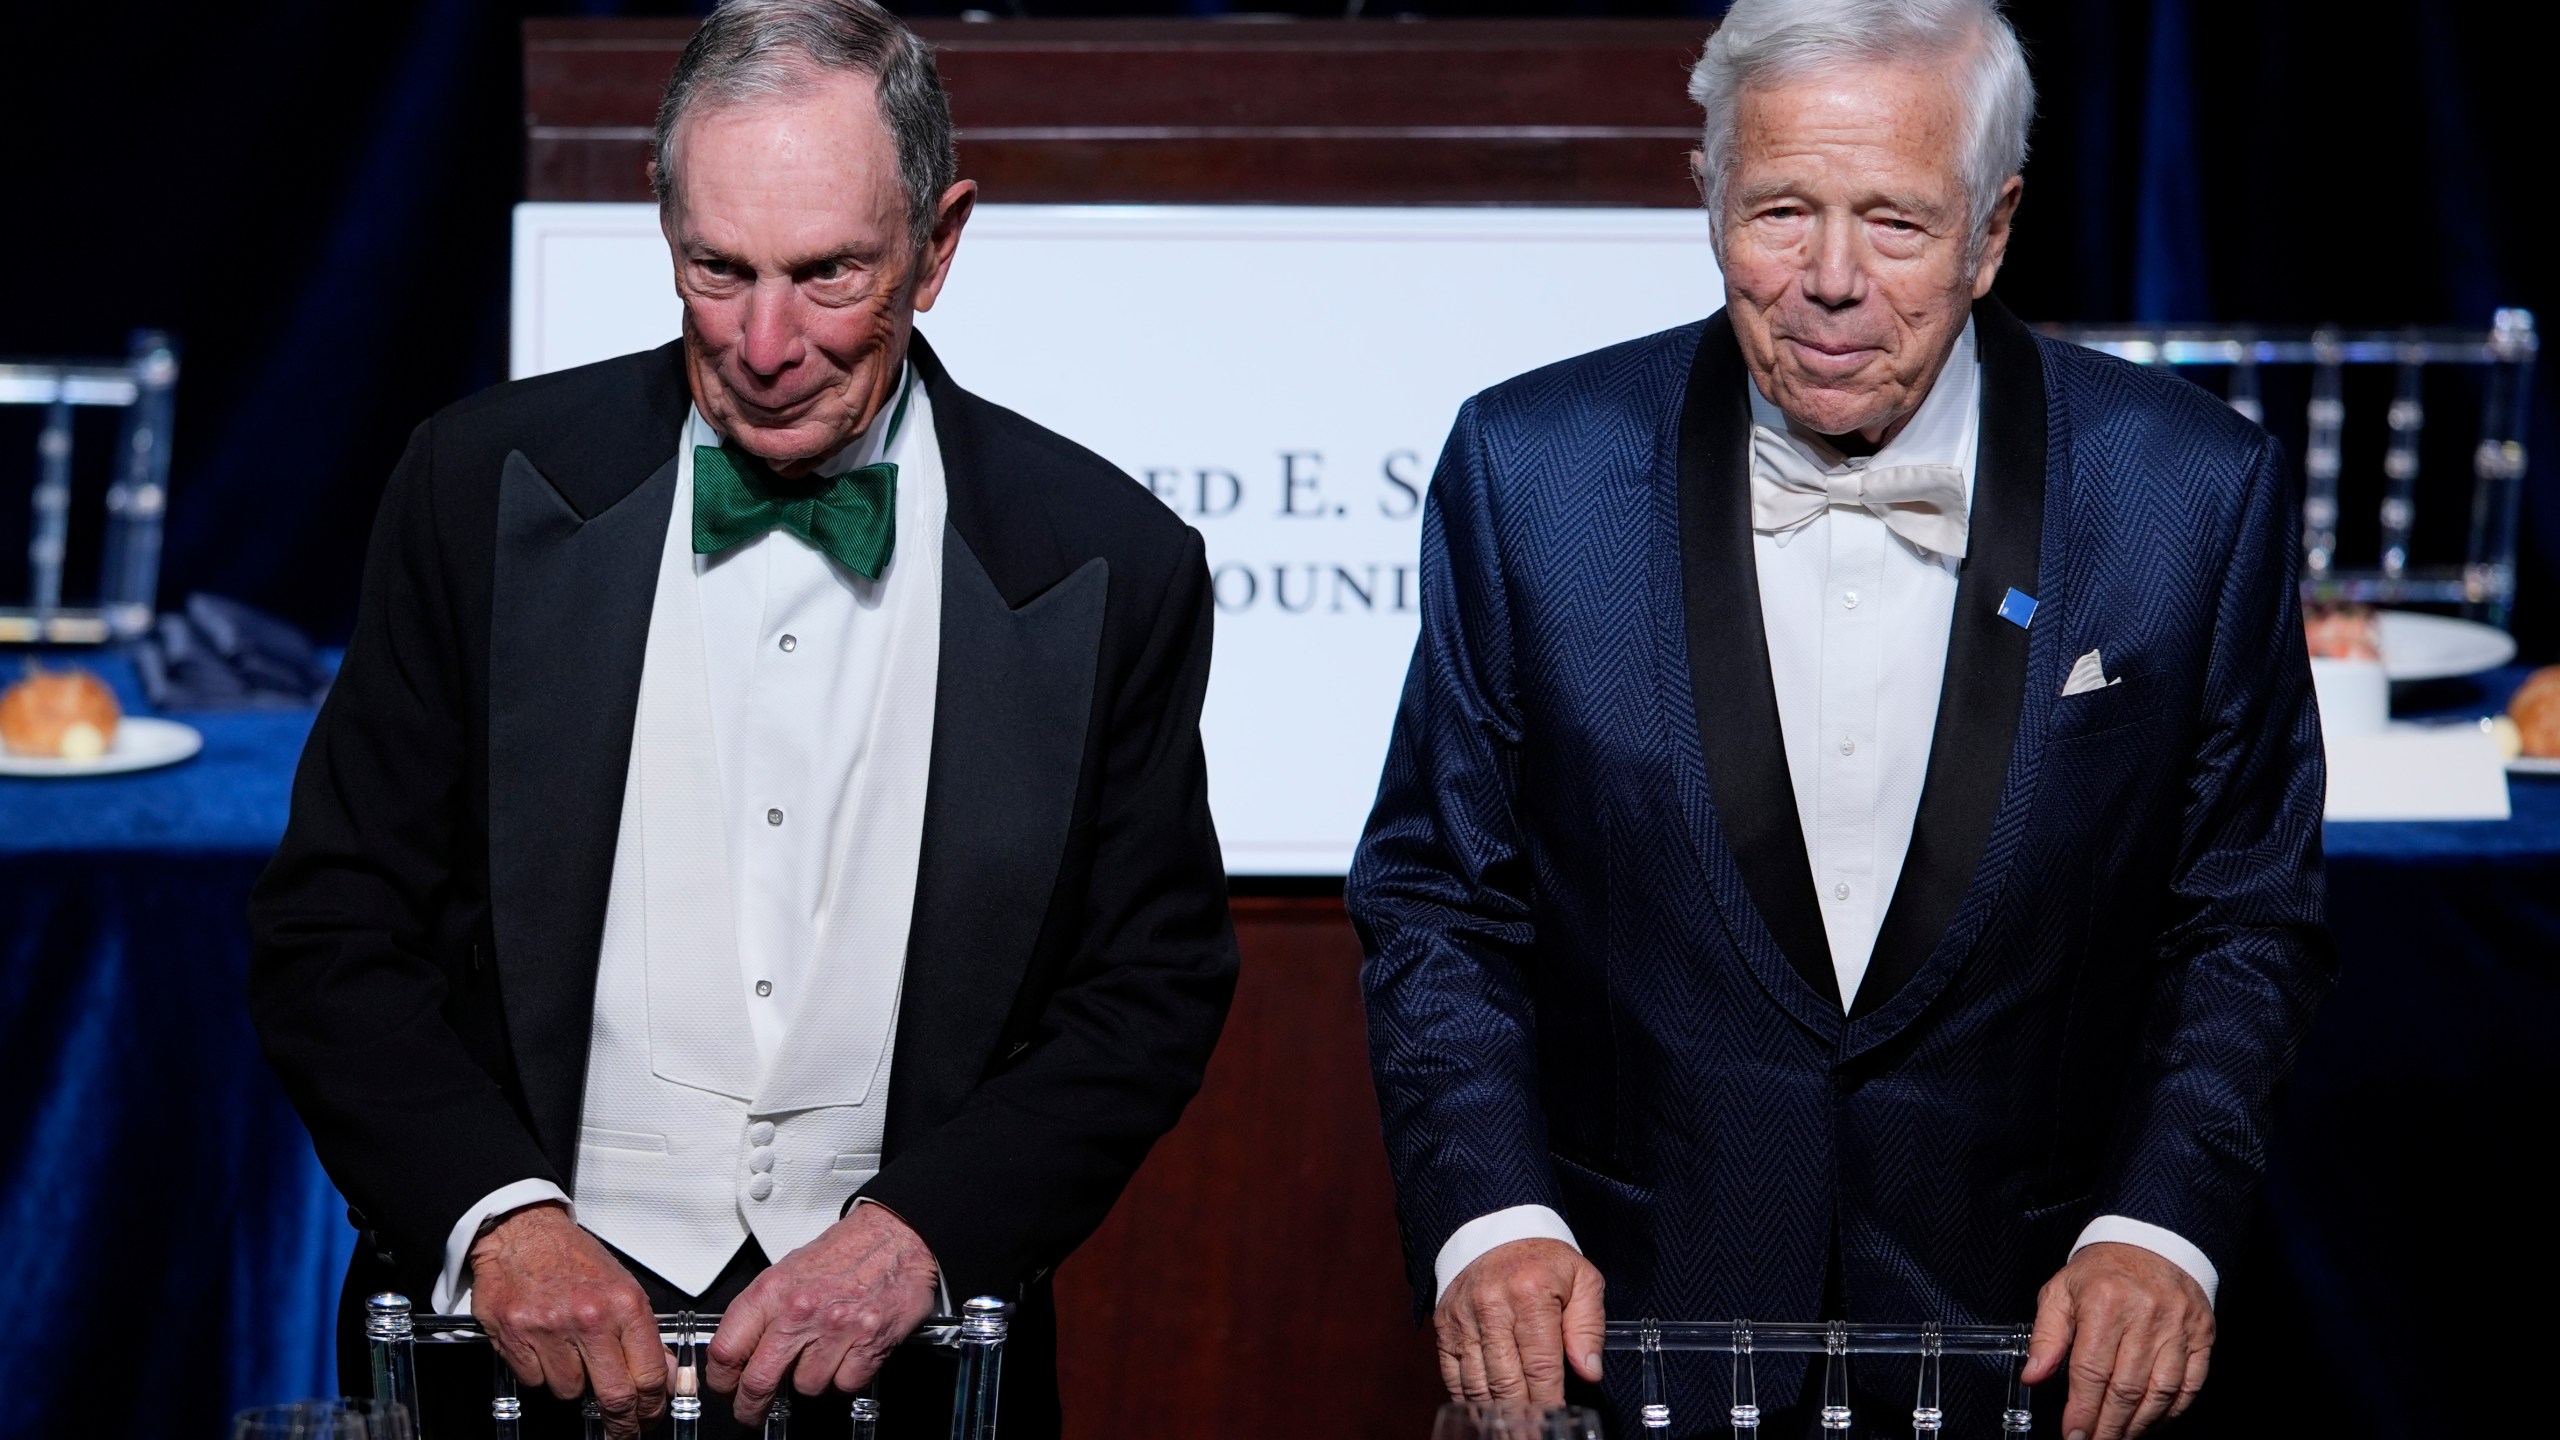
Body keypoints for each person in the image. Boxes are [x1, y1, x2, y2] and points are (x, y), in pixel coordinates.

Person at [248, 3, 1236, 1435]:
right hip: (513, 1360)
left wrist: (922, 1236)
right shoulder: (476, 490)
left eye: (830, 274)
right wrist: (499, 1221)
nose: (767, 342)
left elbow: (1147, 993)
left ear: (941, 245)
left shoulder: (1108, 562)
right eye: (720, 271)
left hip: (917, 1365)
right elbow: (331, 927)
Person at [1348, 1, 2332, 1436]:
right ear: (1708, 203)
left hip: (2034, 1354)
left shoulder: (2191, 495)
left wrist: (2157, 1231)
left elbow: (2243, 920)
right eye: (1780, 211)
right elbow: (1441, 901)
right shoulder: (1527, 473)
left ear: (1993, 233)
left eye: (1893, 222)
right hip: (1625, 1349)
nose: (1828, 280)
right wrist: (1490, 1220)